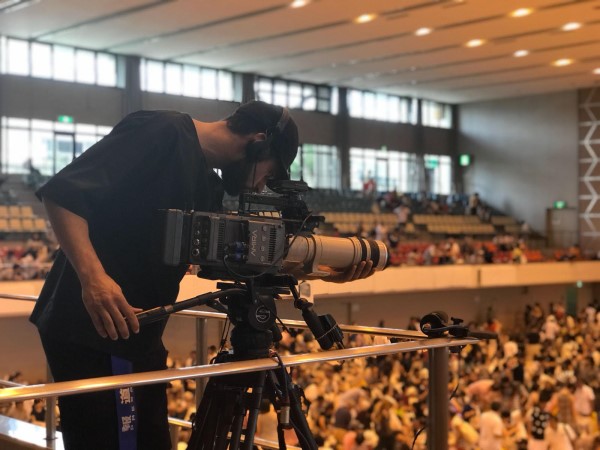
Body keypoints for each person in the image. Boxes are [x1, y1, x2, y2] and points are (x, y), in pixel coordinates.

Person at [31, 101, 374, 450]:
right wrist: (94, 280)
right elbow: (62, 195)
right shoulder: (162, 130)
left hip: (136, 332)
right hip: (97, 327)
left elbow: (239, 258)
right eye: (269, 175)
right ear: (258, 142)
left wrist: (323, 270)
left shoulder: (208, 186)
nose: (260, 186)